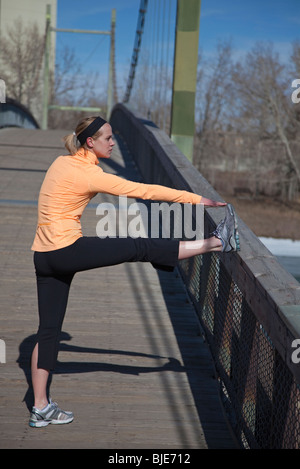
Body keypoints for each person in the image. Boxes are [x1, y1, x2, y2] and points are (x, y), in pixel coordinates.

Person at [28, 115, 239, 428]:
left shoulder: (62, 162)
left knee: (48, 331)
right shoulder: (91, 175)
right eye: (108, 139)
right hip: (65, 250)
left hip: (42, 255)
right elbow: (144, 191)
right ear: (90, 142)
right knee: (139, 246)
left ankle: (40, 407)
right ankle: (216, 243)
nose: (113, 143)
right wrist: (197, 199)